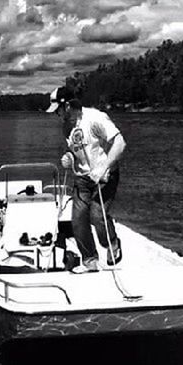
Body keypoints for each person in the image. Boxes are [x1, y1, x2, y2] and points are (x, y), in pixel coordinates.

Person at [46, 86, 126, 273]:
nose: (56, 114)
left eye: (57, 109)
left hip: (105, 176)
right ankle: (89, 261)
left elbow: (120, 143)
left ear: (66, 106)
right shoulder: (66, 126)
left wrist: (103, 168)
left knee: (97, 216)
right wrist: (69, 158)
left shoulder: (95, 118)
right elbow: (76, 150)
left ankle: (112, 243)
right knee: (78, 221)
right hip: (82, 179)